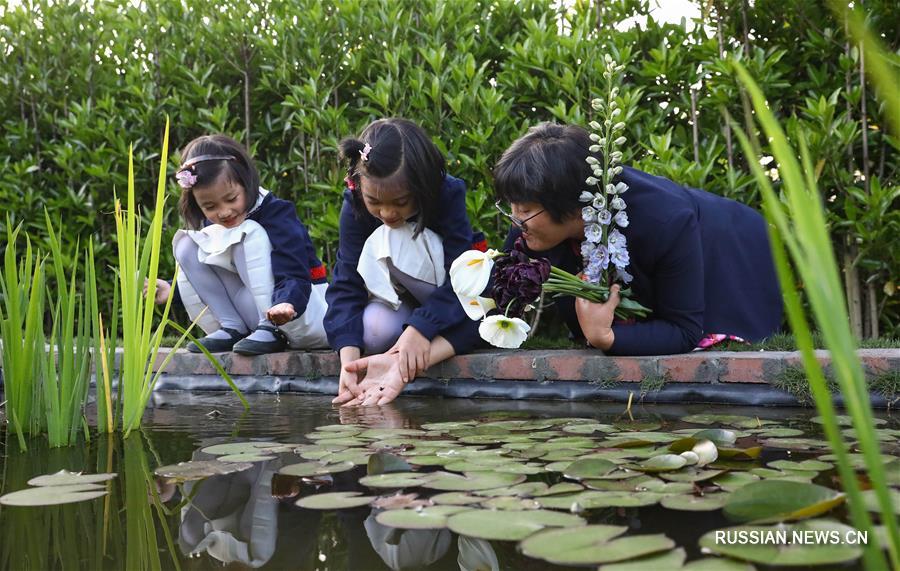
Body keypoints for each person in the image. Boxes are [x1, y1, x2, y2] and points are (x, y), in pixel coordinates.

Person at [492, 122, 782, 355]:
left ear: (574, 207)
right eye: (512, 206)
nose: (515, 221)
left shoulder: (666, 221)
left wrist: (605, 336)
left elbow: (683, 329)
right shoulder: (531, 217)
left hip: (726, 247)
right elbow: (495, 291)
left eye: (525, 210)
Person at [325, 118, 485, 406]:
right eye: (374, 201)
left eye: (401, 202)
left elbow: (461, 279)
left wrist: (422, 328)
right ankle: (400, 348)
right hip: (398, 300)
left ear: (424, 186)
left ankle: (420, 336)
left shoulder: (447, 195)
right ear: (358, 185)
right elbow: (346, 280)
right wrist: (347, 359)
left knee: (478, 316)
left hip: (448, 295)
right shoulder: (355, 204)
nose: (387, 213)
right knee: (372, 332)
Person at [156, 134, 329, 355]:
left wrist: (287, 301)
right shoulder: (219, 221)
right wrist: (172, 290)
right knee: (188, 245)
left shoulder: (277, 214)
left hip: (298, 310)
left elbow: (295, 270)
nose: (224, 211)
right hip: (254, 311)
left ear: (246, 182)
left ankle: (270, 329)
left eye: (231, 199)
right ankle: (232, 327)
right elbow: (217, 269)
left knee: (244, 235)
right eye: (209, 206)